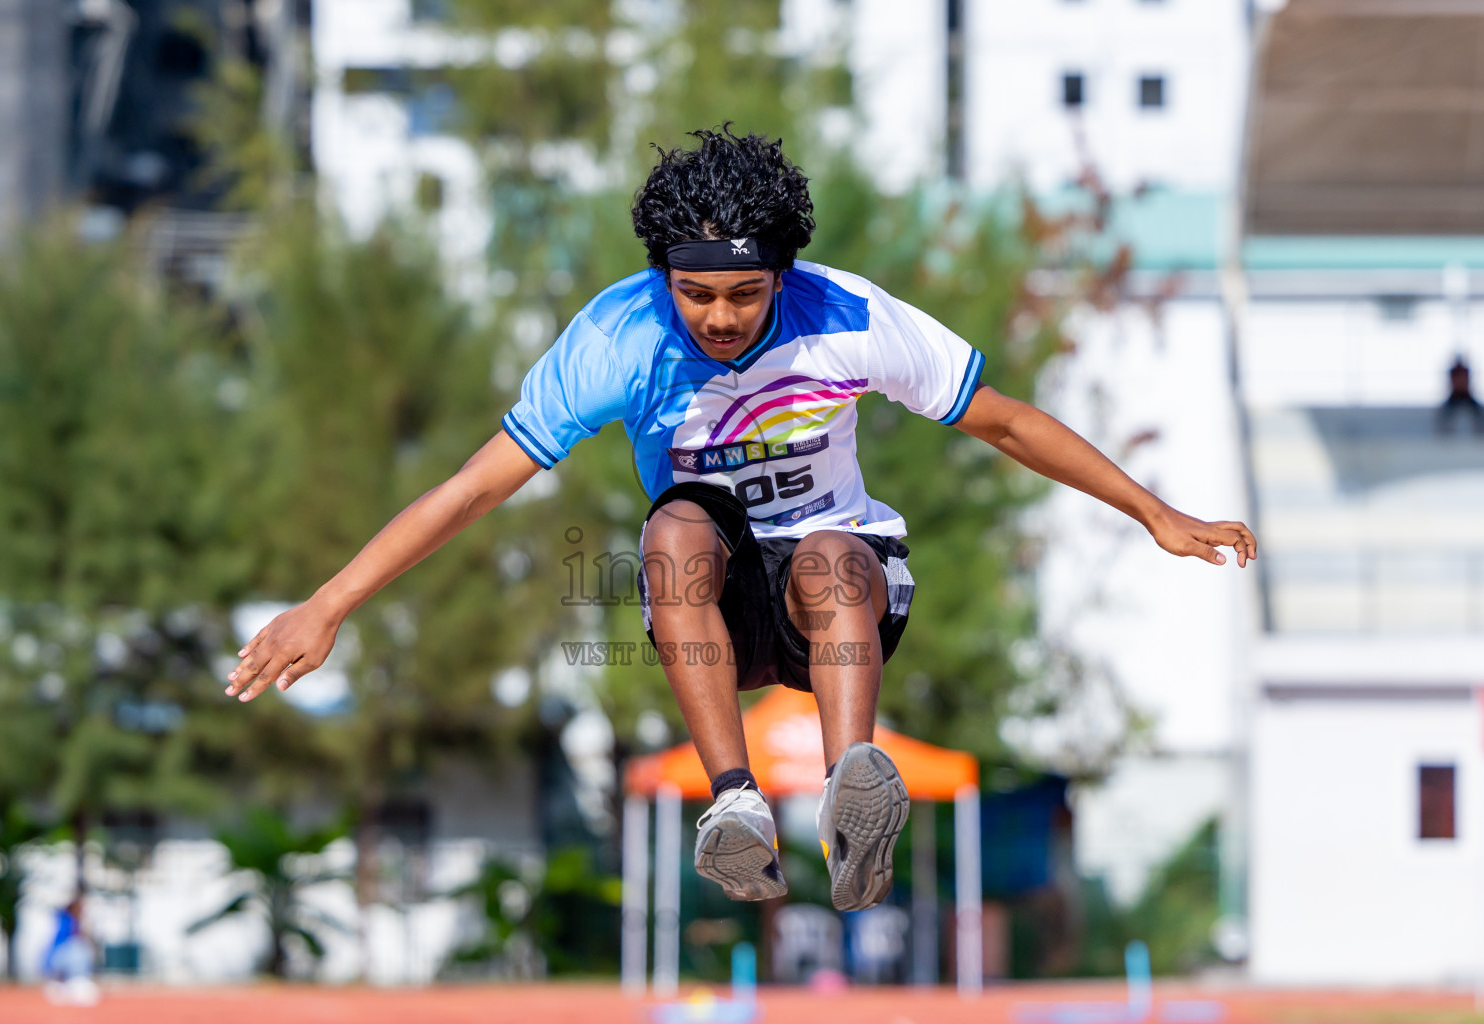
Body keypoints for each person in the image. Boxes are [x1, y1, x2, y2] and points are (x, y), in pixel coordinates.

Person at [226, 128, 1256, 910]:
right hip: (712, 603)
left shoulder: (848, 315)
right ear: (660, 277)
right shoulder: (618, 340)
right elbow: (473, 486)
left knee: (826, 555)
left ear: (785, 278)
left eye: (746, 294)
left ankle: (855, 786)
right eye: (696, 293)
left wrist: (1152, 511)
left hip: (838, 605)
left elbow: (1010, 422)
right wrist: (329, 603)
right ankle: (735, 797)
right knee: (672, 530)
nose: (719, 318)